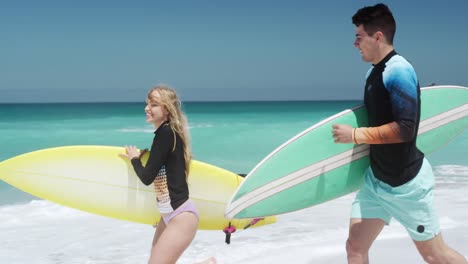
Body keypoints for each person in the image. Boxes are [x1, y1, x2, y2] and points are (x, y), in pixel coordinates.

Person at [331, 4, 467, 264]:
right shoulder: (373, 73)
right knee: (355, 247)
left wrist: (356, 135)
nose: (355, 43)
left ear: (378, 36)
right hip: (377, 181)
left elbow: (405, 129)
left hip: (406, 185)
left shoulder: (399, 70)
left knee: (435, 255)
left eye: (359, 37)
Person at [121, 85, 216, 264]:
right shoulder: (167, 134)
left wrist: (134, 159)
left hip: (181, 216)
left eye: (154, 104)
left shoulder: (165, 134)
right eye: (147, 103)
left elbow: (147, 178)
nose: (147, 108)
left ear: (167, 109)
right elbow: (166, 171)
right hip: (169, 215)